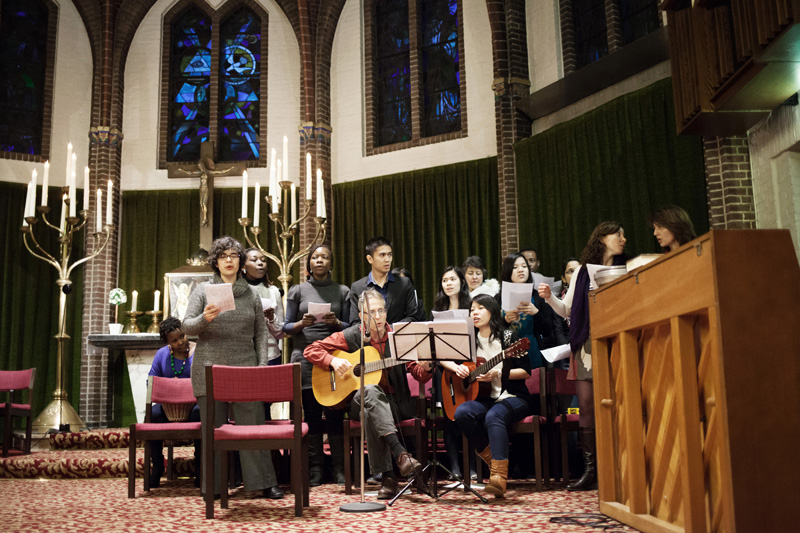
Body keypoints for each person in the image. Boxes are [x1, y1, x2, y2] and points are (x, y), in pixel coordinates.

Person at [304, 289, 433, 499]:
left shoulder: (398, 338)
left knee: (370, 409)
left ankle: (389, 477)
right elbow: (311, 350)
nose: (379, 316)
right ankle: (401, 453)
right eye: (372, 312)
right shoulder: (352, 335)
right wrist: (333, 361)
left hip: (395, 403)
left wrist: (426, 367)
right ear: (362, 316)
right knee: (370, 392)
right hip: (355, 401)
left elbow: (418, 374)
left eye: (381, 310)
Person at [182, 236, 283, 500]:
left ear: (240, 261)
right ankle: (213, 486)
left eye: (234, 255)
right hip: (209, 368)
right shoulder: (202, 290)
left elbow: (260, 335)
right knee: (212, 430)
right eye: (223, 256)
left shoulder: (250, 293)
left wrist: (261, 366)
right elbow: (186, 327)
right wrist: (205, 318)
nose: (229, 260)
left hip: (245, 369)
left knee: (254, 429)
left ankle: (263, 483)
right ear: (215, 262)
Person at [538, 222, 627, 491]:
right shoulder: (582, 272)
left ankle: (620, 466)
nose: (624, 238)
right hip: (586, 343)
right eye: (618, 234)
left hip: (618, 341)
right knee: (587, 407)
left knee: (618, 403)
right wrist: (548, 298)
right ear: (602, 238)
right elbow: (567, 310)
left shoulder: (626, 268)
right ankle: (592, 471)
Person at [447, 294, 532, 497]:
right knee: (462, 412)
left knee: (494, 416)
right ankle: (496, 464)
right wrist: (459, 369)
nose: (474, 313)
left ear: (492, 311)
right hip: (486, 399)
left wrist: (497, 373)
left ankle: (498, 479)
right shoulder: (469, 342)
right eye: (472, 309)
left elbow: (526, 372)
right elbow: (442, 358)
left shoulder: (510, 338)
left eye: (480, 308)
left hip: (513, 396)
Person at [283, 244, 350, 486]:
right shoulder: (298, 290)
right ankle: (315, 470)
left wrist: (337, 322)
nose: (319, 260)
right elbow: (285, 328)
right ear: (309, 264)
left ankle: (340, 468)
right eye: (315, 257)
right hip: (304, 360)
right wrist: (302, 323)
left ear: (331, 263)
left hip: (335, 361)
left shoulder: (343, 291)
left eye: (324, 257)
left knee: (334, 414)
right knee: (311, 415)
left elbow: (352, 328)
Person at [430, 266, 476, 480]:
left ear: (461, 282)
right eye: (444, 280)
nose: (448, 283)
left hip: (469, 368)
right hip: (446, 369)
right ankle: (455, 469)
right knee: (449, 418)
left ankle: (473, 467)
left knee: (470, 415)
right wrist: (451, 365)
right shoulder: (438, 310)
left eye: (452, 279)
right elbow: (436, 350)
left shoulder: (472, 307)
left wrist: (464, 366)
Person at [147, 317, 200, 488]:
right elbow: (151, 383)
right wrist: (170, 389)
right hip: (169, 406)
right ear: (168, 343)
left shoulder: (197, 351)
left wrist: (185, 389)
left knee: (201, 413)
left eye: (182, 336)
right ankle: (157, 464)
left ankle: (201, 464)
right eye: (174, 341)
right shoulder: (162, 355)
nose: (180, 342)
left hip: (193, 405)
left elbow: (205, 380)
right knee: (152, 415)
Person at [348, 237, 425, 326]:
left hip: (397, 336)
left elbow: (413, 316)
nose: (387, 259)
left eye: (390, 255)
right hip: (370, 338)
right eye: (382, 255)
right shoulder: (357, 287)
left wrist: (389, 330)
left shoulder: (404, 283)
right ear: (370, 259)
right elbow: (355, 321)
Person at [496, 253, 554, 369]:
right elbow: (492, 330)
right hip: (507, 351)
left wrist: (536, 313)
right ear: (508, 271)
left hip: (533, 349)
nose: (521, 270)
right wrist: (505, 320)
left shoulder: (538, 296)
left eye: (524, 266)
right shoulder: (498, 298)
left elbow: (548, 330)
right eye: (515, 267)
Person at [242, 247, 285, 365]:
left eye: (263, 260)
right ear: (243, 266)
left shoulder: (273, 291)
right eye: (254, 260)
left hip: (270, 354)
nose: (260, 263)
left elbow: (280, 332)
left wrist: (271, 318)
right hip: (243, 355)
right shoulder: (237, 291)